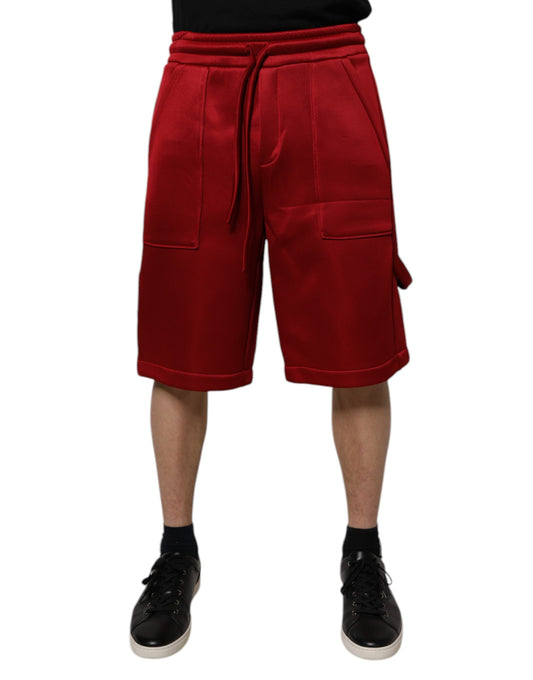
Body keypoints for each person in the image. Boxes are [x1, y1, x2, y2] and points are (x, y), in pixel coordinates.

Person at [131, 0, 412, 661]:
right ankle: (177, 551)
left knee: (358, 342)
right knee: (180, 343)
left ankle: (363, 554)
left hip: (326, 60)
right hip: (202, 70)